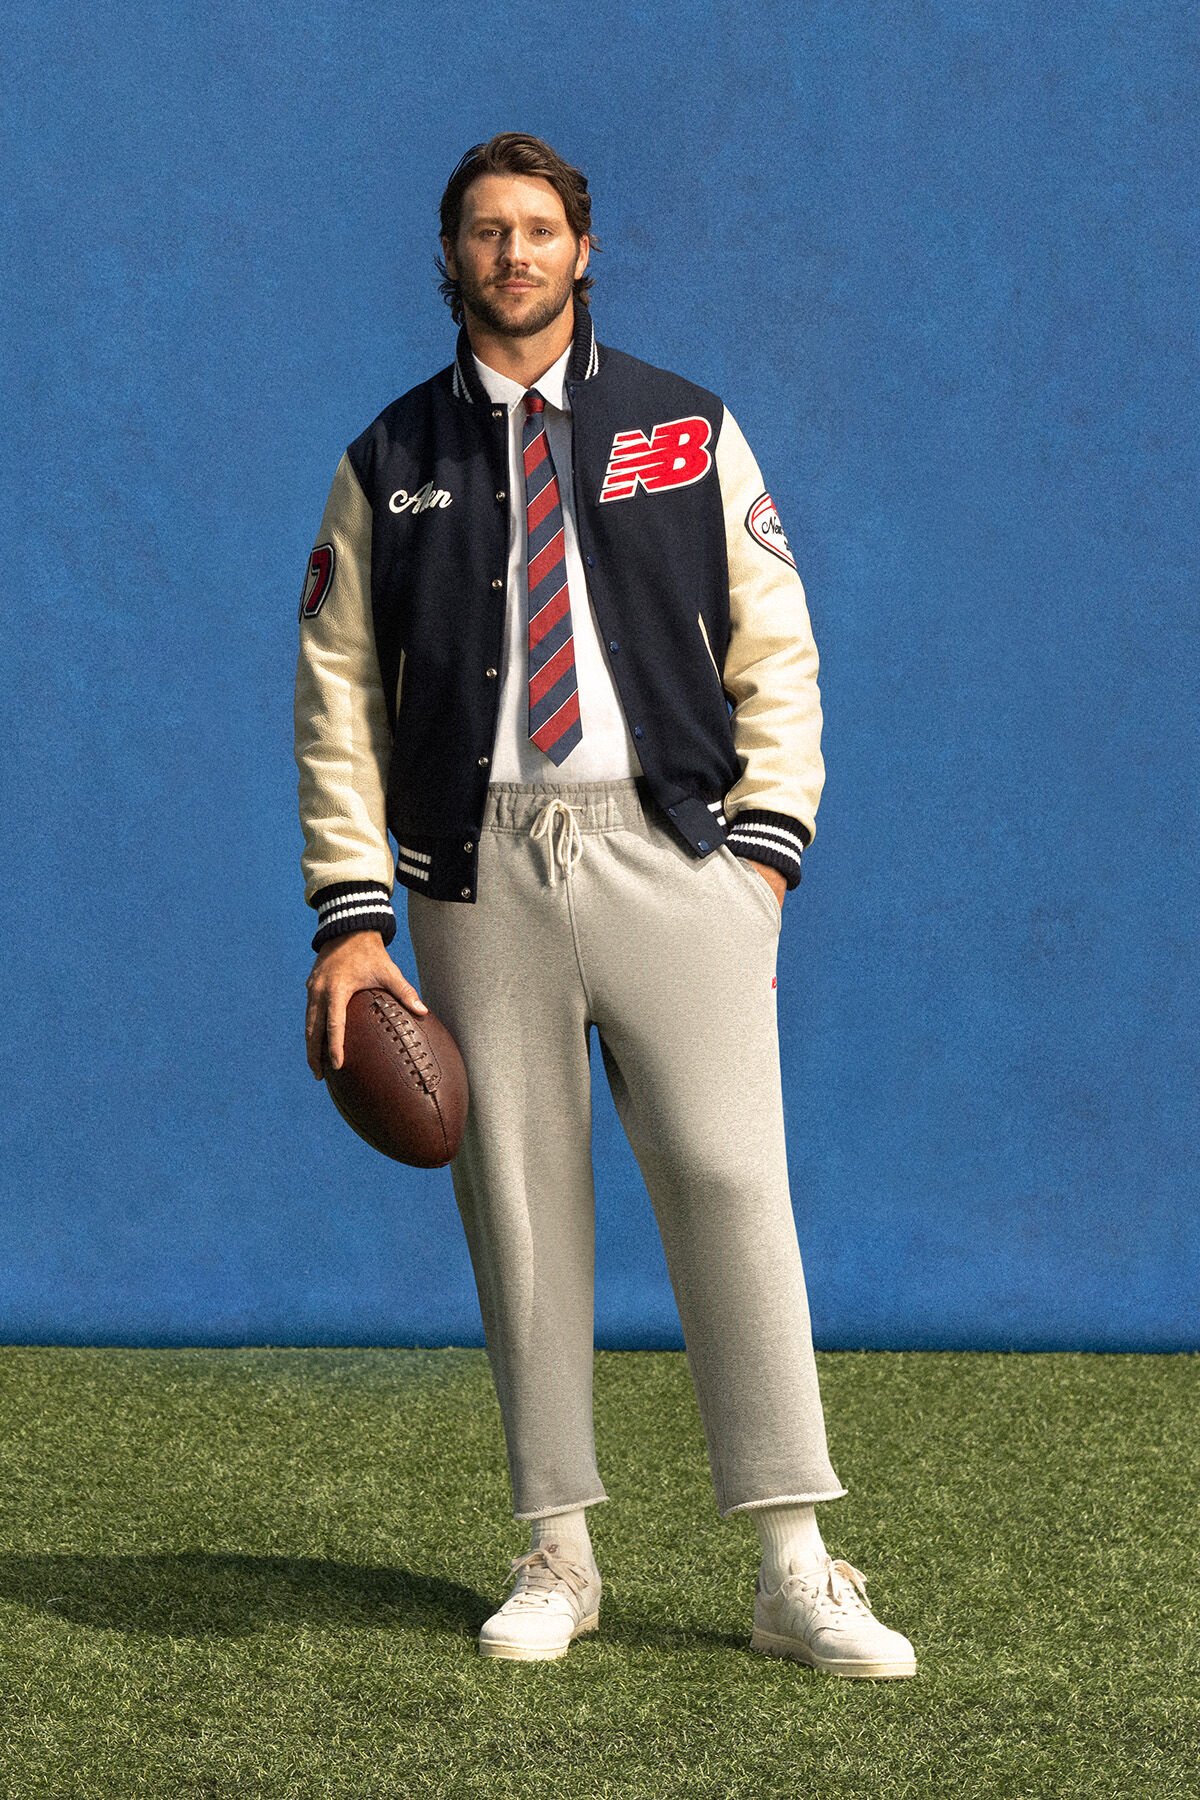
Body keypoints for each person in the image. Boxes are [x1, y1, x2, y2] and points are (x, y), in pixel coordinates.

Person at [294, 131, 915, 1678]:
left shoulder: (688, 429)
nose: (514, 255)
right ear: (451, 260)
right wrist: (350, 920)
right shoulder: (388, 462)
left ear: (583, 252)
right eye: (487, 232)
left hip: (670, 852)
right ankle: (557, 1552)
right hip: (475, 864)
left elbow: (778, 648)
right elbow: (336, 702)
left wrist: (762, 856)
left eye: (540, 230)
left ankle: (792, 1560)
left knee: (727, 1180)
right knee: (517, 1207)